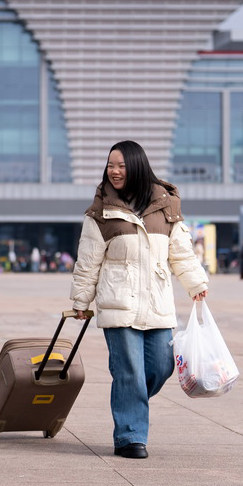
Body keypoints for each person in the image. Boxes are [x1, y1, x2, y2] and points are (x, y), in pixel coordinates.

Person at [70, 140, 208, 460]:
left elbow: (181, 253)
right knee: (129, 369)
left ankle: (129, 401)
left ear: (138, 166)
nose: (114, 172)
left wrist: (195, 283)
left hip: (157, 303)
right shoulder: (100, 212)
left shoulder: (166, 206)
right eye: (110, 166)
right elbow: (88, 260)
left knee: (161, 365)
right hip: (118, 301)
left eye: (121, 165)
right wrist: (81, 300)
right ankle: (130, 436)